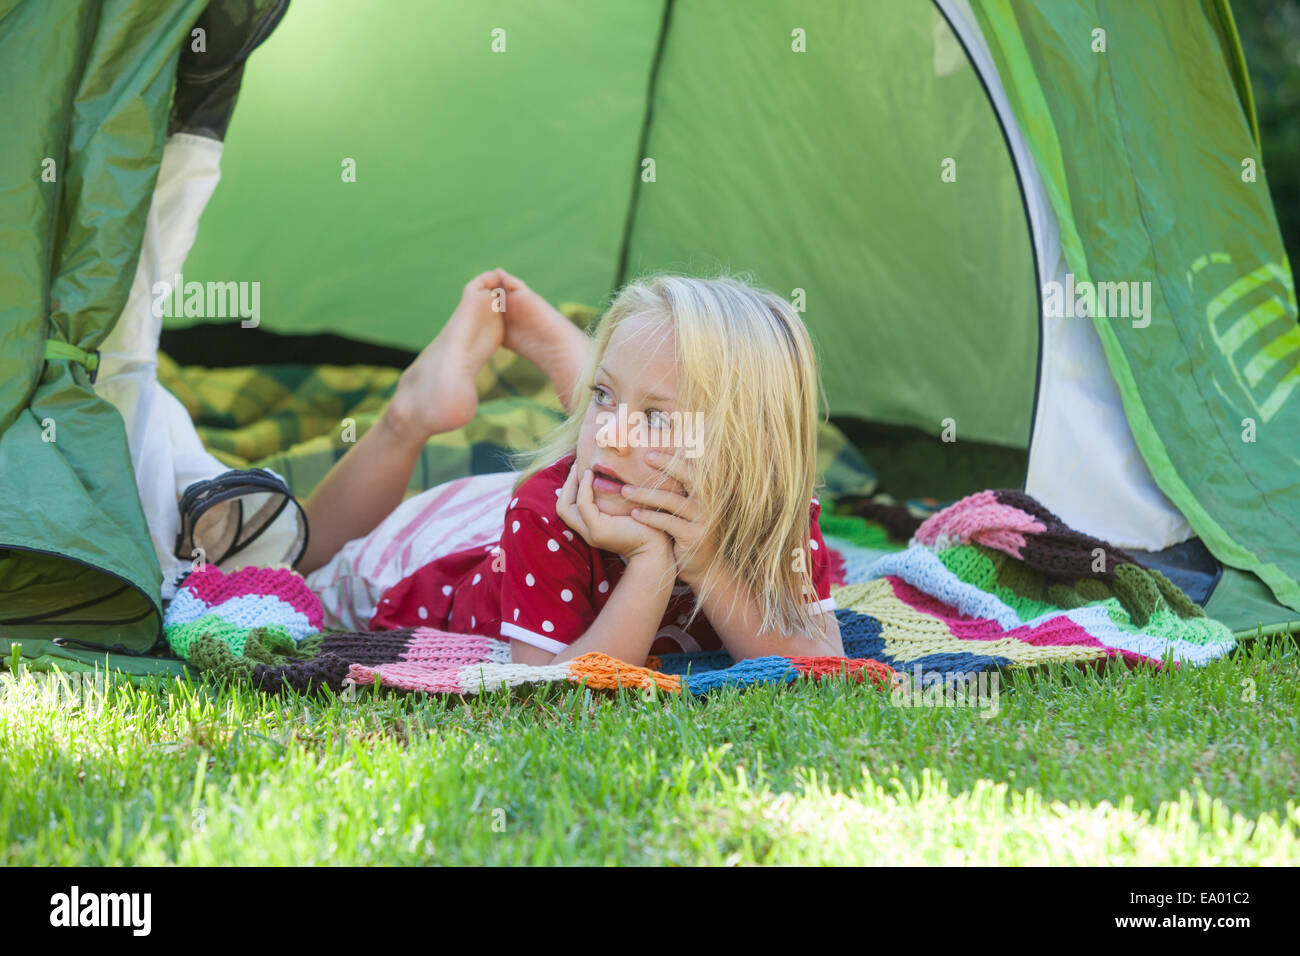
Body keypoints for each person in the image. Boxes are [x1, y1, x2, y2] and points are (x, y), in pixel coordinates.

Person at [299, 269, 844, 665]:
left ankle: (580, 360)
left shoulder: (778, 515)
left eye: (657, 416)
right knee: (296, 563)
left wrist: (707, 566)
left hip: (582, 491)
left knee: (619, 428)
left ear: (749, 447)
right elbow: (555, 692)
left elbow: (820, 663)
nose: (609, 430)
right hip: (429, 551)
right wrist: (653, 565)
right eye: (601, 396)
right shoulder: (542, 513)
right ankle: (411, 410)